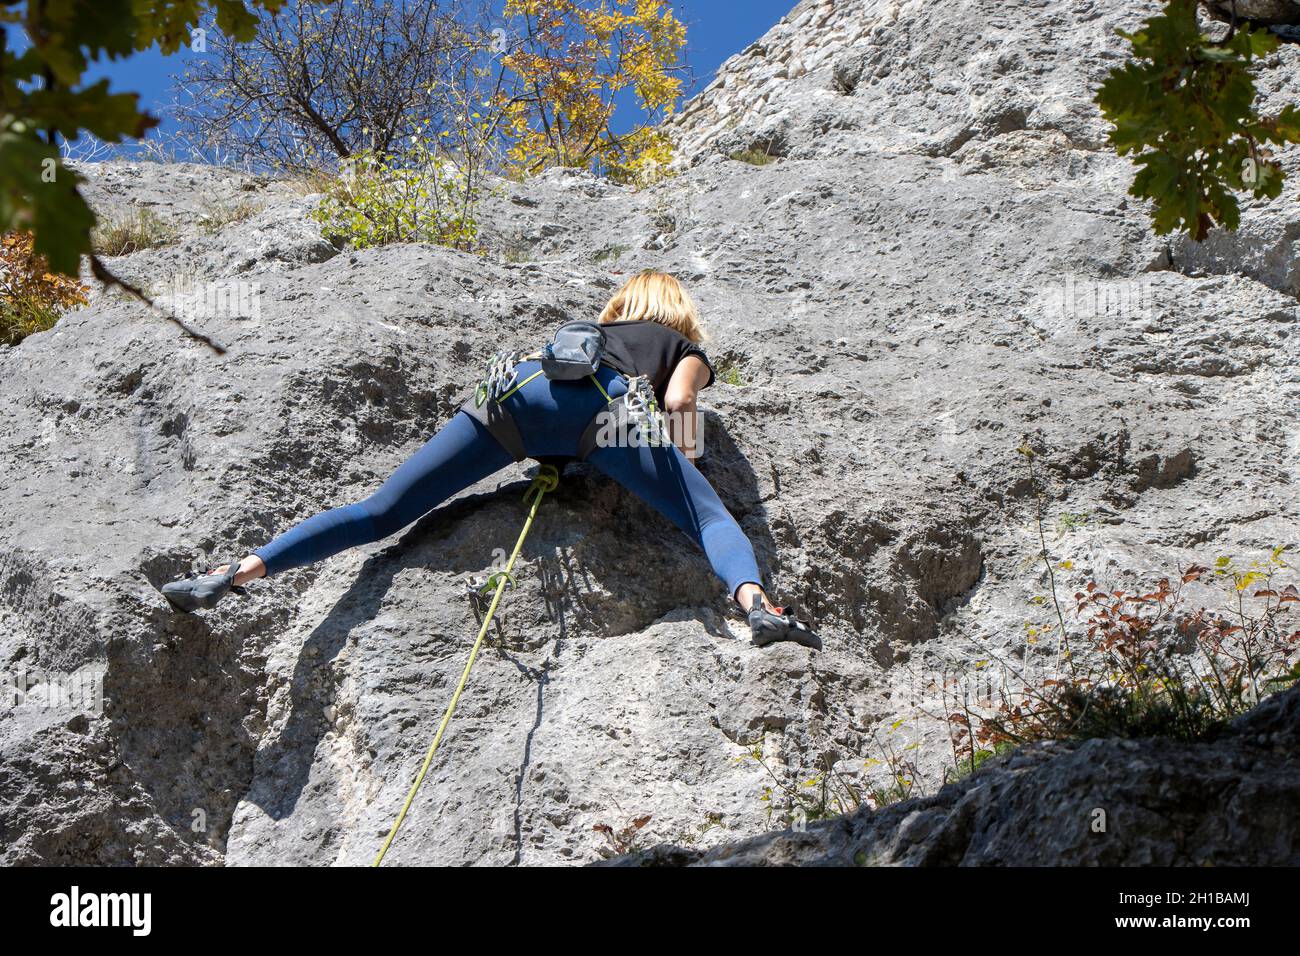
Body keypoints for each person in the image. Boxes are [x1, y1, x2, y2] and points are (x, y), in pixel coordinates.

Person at [162, 271, 819, 649]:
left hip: (512, 391)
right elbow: (679, 400)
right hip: (602, 407)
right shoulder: (681, 344)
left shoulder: (595, 330)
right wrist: (685, 462)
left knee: (379, 511)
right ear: (680, 314)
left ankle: (235, 573)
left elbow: (557, 398)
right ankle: (760, 608)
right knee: (707, 516)